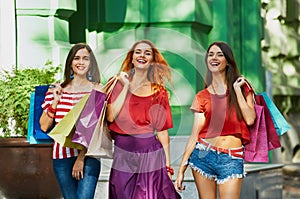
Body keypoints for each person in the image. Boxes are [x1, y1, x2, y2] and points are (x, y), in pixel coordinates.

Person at [174, 41, 256, 199]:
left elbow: (250, 119)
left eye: (220, 54)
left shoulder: (243, 88)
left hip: (232, 158)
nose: (214, 57)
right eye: (211, 54)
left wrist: (237, 91)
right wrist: (181, 168)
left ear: (228, 61)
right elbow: (194, 135)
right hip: (203, 156)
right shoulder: (202, 96)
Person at [106, 39, 181, 199]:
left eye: (147, 53)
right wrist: (126, 86)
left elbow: (162, 132)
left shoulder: (159, 92)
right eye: (138, 52)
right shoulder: (118, 84)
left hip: (151, 156)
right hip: (123, 154)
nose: (142, 55)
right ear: (131, 58)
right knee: (120, 194)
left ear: (152, 61)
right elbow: (111, 116)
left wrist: (167, 165)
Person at [40, 43, 102, 199]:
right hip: (61, 156)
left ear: (91, 63)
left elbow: (95, 130)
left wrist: (81, 158)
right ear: (70, 62)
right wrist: (55, 101)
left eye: (85, 59)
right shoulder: (57, 89)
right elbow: (44, 126)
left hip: (88, 156)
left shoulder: (98, 89)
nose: (81, 62)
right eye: (77, 58)